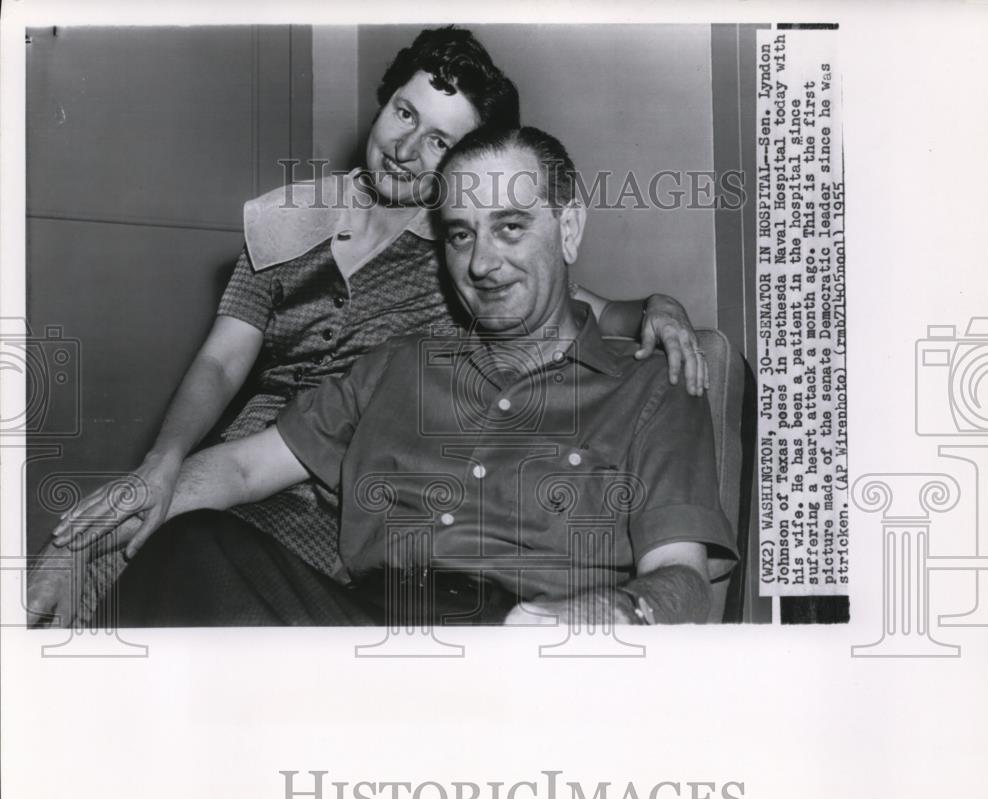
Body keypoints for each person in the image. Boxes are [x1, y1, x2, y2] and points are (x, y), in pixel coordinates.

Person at [32, 27, 708, 628]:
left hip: (382, 545)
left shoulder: (640, 382)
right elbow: (225, 390)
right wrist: (116, 505)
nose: (482, 262)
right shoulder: (304, 238)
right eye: (404, 113)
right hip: (315, 541)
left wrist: (655, 307)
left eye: (439, 140)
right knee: (154, 557)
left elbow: (556, 300)